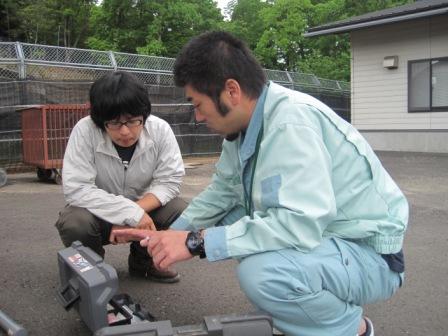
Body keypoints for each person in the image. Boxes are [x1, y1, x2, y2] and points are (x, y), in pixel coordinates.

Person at [114, 31, 408, 335]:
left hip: (371, 255)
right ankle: (301, 311)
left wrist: (195, 242)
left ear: (231, 91)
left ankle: (352, 329)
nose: (198, 116)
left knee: (263, 274)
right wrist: (168, 236)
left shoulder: (290, 123)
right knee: (229, 219)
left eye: (199, 104)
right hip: (331, 238)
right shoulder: (244, 128)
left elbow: (299, 223)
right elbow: (223, 193)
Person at [55, 71, 187, 283]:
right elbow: (77, 188)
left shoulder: (160, 130)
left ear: (144, 115)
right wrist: (127, 213)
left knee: (179, 210)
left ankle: (144, 263)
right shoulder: (85, 130)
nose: (125, 131)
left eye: (133, 121)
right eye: (114, 123)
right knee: (74, 222)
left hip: (145, 212)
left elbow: (169, 181)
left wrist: (135, 212)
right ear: (100, 121)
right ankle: (93, 274)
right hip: (99, 215)